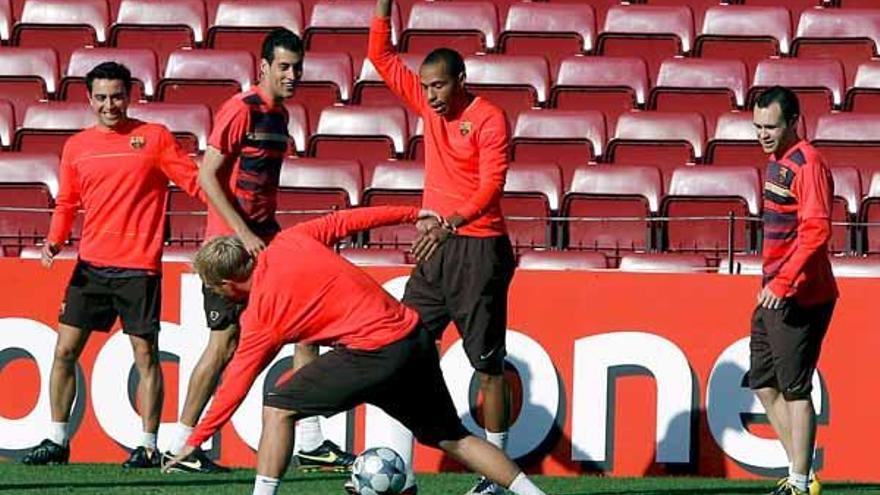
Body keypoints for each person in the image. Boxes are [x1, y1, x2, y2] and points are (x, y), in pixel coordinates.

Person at [162, 206, 548, 495]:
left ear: (229, 283)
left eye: (215, 289)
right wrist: (413, 212)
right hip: (414, 337)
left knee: (279, 406)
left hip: (375, 353)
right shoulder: (294, 239)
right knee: (454, 437)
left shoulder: (263, 316)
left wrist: (195, 440)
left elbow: (235, 386)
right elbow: (352, 219)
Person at [162, 28, 353, 473]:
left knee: (307, 325)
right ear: (263, 66)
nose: (292, 75)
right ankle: (182, 444)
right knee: (224, 344)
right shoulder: (240, 109)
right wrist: (242, 234)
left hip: (265, 236)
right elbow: (207, 176)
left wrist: (261, 233)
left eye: (297, 67)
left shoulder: (281, 116)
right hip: (230, 245)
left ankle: (309, 441)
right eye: (284, 67)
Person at [21, 62, 204, 468]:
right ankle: (56, 439)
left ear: (129, 95)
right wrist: (55, 239)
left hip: (138, 268)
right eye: (101, 97)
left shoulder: (153, 138)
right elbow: (67, 201)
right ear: (89, 99)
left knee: (146, 357)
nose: (110, 105)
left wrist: (230, 219)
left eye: (117, 96)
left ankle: (148, 445)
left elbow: (194, 182)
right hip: (91, 266)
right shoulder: (76, 146)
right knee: (65, 351)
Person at [367, 2, 516, 494]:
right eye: (426, 87)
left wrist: (451, 222)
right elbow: (382, 56)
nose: (430, 96)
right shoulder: (427, 104)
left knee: (487, 366)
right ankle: (399, 472)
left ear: (461, 79)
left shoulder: (489, 118)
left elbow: (491, 186)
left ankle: (496, 473)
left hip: (478, 249)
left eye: (440, 86)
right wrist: (383, 9)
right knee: (400, 348)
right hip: (436, 249)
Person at [751, 86, 837, 495]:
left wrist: (783, 282)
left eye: (771, 126)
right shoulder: (776, 161)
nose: (763, 134)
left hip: (800, 294)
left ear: (793, 122)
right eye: (758, 126)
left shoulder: (808, 163)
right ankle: (800, 471)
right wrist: (769, 281)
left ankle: (800, 483)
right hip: (773, 289)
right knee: (765, 383)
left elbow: (816, 229)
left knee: (795, 387)